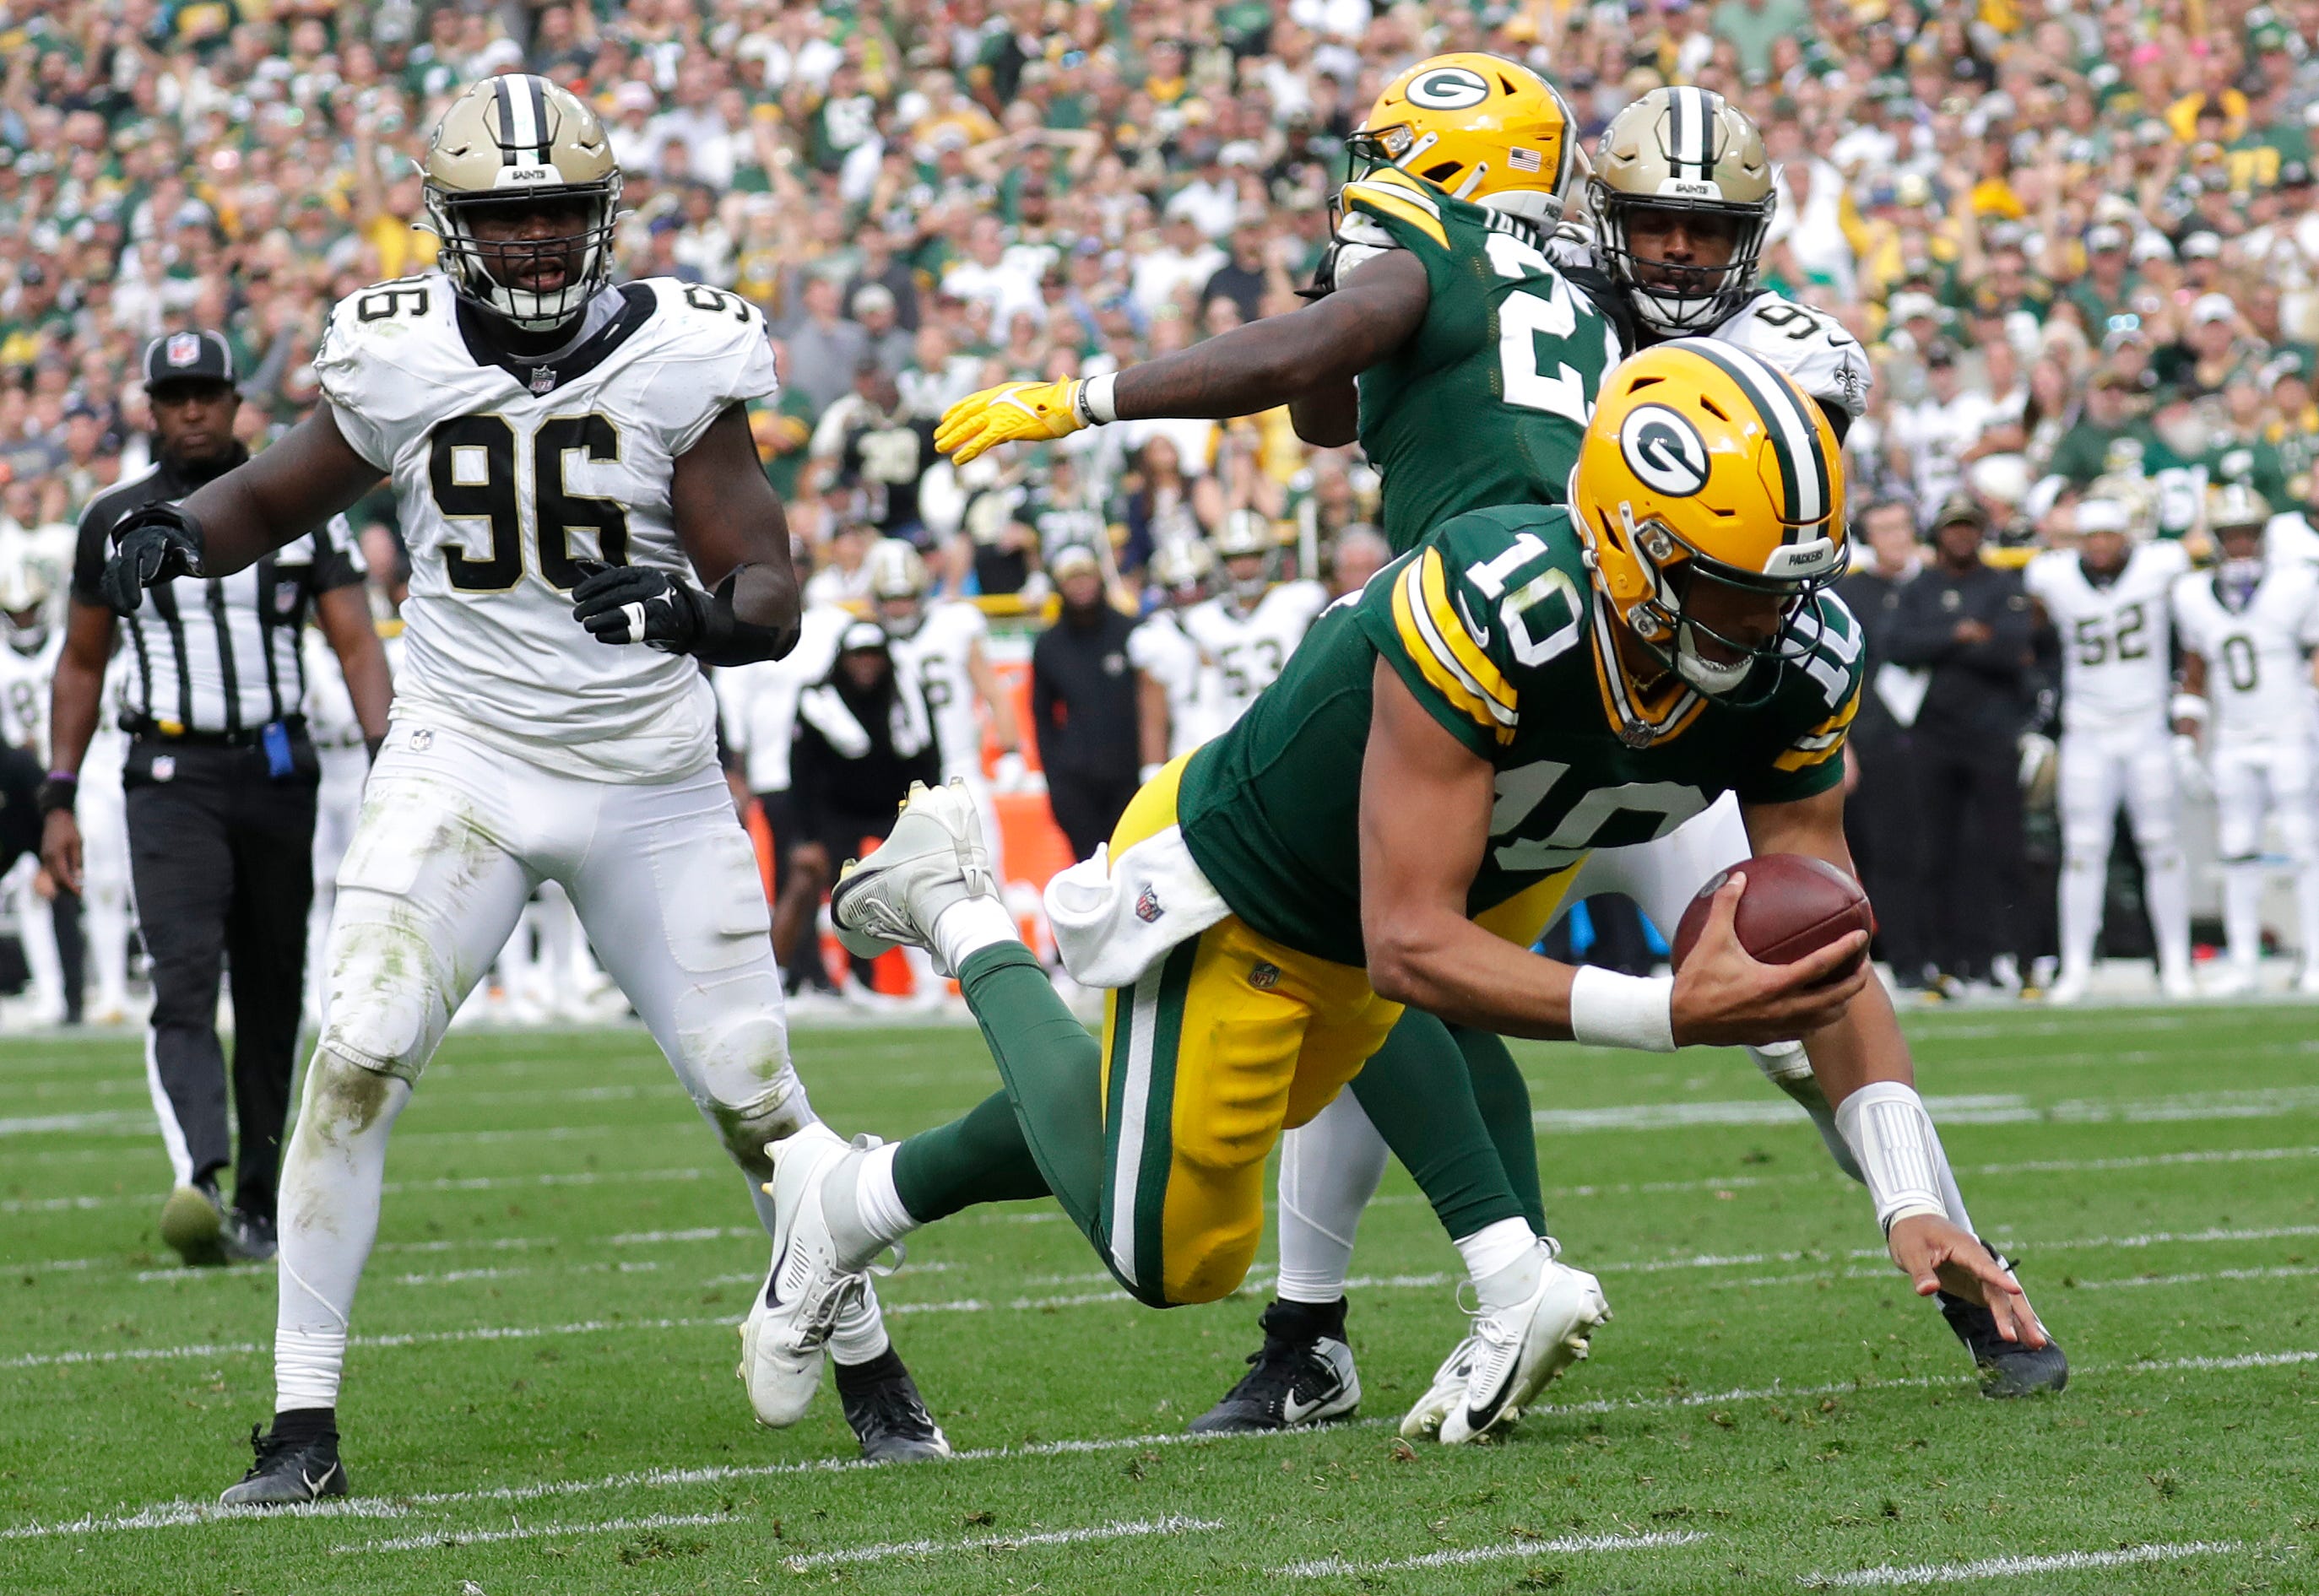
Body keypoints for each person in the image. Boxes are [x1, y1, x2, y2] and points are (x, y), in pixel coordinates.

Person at [750, 343, 2047, 1456]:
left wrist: (1907, 1195)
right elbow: (1407, 943)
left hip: (1418, 904)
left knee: (1155, 1106)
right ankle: (962, 909)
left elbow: (1827, 938)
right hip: (1252, 882)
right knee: (1173, 1259)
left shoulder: (1793, 654)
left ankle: (852, 1199)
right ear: (1632, 547)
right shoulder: (1495, 606)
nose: (1768, 620)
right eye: (1735, 586)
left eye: (1787, 586)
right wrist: (1668, 1011)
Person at [95, 78, 943, 1503]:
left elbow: (770, 590)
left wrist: (692, 613)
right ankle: (301, 1430)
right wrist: (178, 532)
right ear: (452, 225)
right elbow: (277, 493)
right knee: (354, 1056)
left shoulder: (678, 351)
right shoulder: (398, 350)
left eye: (557, 210)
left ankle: (868, 1364)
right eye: (506, 215)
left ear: (601, 215)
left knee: (755, 1096)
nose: (537, 237)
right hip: (464, 756)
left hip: (647, 773)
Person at [43, 329, 392, 1268]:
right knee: (184, 974)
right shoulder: (113, 518)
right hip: (168, 775)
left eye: (207, 392)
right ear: (151, 407)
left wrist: (386, 756)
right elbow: (81, 663)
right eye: (175, 395)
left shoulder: (299, 509)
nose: (192, 410)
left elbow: (356, 641)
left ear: (237, 401)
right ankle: (199, 1174)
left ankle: (261, 1202)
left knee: (275, 986)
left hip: (276, 771)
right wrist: (59, 793)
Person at [2023, 494, 2194, 1004]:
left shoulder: (2160, 566)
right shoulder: (2052, 576)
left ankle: (2177, 963)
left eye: (2108, 536)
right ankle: (2075, 967)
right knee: (2082, 851)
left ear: (2126, 536)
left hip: (2147, 728)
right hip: (2087, 730)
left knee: (2162, 846)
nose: (2099, 545)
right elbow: (2034, 624)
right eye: (2090, 537)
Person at [1884, 497, 2039, 995]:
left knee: (2007, 851)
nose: (1961, 536)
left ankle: (2025, 961)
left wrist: (1944, 644)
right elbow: (1897, 646)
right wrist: (1961, 634)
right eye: (1953, 528)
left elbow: (2012, 649)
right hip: (1934, 735)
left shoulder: (2002, 584)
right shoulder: (1919, 588)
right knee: (1935, 853)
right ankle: (1944, 965)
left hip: (1992, 734)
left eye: (1969, 527)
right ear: (1938, 534)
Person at [2170, 484, 2319, 994]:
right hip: (2233, 736)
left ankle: (2315, 958)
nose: (2240, 545)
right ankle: (2245, 962)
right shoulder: (2192, 594)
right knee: (2236, 848)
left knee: (2304, 844)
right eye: (2231, 535)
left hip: (2289, 730)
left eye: (2248, 534)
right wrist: (2186, 741)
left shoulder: (2297, 584)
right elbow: (2194, 672)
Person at [788, 620, 942, 991]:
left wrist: (928, 814)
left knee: (918, 886)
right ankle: (858, 979)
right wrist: (807, 834)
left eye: (874, 655)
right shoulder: (819, 700)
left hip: (896, 809)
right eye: (858, 655)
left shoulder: (907, 695)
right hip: (838, 812)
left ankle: (931, 976)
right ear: (843, 659)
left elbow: (929, 757)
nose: (866, 664)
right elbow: (801, 770)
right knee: (848, 897)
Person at [867, 538, 1027, 884]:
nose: (898, 608)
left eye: (906, 597)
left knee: (984, 872)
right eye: (890, 599)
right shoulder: (868, 644)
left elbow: (994, 692)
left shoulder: (954, 625)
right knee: (912, 881)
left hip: (959, 767)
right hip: (900, 774)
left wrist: (1011, 750)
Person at [716, 603, 851, 999]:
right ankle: (796, 970)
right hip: (773, 771)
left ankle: (811, 970)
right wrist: (737, 768)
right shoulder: (749, 628)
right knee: (792, 874)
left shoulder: (829, 624)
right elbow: (733, 703)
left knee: (822, 870)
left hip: (824, 773)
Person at [1835, 499, 1931, 986]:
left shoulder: (1936, 584)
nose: (1895, 537)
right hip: (1874, 737)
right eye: (1884, 529)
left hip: (1939, 736)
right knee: (1886, 851)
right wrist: (1842, 744)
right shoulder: (1849, 594)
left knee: (1950, 845)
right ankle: (1905, 957)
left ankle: (1962, 956)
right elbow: (1836, 675)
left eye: (1901, 526)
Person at [1029, 544, 1141, 859]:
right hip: (1077, 782)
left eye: (1086, 576)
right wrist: (1056, 780)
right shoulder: (1049, 644)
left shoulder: (1131, 632)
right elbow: (1042, 715)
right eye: (1070, 579)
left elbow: (1152, 707)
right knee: (1088, 870)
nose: (1080, 586)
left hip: (1130, 776)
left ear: (1100, 578)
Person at [0, 553, 71, 1025]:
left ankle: (104, 987)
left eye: (30, 611)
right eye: (16, 612)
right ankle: (52, 992)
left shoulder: (67, 644)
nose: (24, 620)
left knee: (106, 882)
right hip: (25, 788)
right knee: (30, 883)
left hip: (77, 775)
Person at [1178, 511, 1326, 730]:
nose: (1245, 567)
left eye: (1253, 556)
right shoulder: (1202, 621)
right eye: (1235, 558)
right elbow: (1207, 699)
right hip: (1235, 730)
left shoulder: (1297, 602)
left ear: (1269, 556)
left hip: (1290, 723)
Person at [1129, 539, 1225, 775]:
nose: (1189, 595)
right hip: (1188, 754)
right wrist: (1152, 771)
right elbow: (1153, 716)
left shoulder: (1233, 622)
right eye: (1179, 587)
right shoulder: (1155, 638)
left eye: (1196, 583)